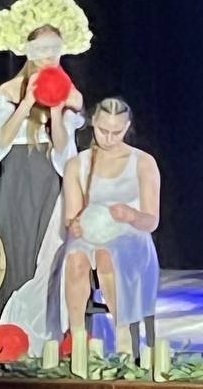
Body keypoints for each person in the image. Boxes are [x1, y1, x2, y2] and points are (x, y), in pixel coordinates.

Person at [0, 0, 91, 339]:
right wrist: (28, 102)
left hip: (50, 178)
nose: (47, 57)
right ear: (28, 51)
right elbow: (1, 141)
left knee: (49, 250)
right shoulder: (8, 91)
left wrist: (57, 112)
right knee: (16, 245)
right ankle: (11, 331)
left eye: (53, 50)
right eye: (41, 50)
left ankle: (49, 330)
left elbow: (64, 149)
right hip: (17, 175)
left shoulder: (71, 94)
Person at [60, 97, 160, 356]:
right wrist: (75, 225)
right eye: (103, 130)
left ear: (127, 127)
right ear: (93, 122)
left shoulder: (143, 162)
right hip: (92, 234)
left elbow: (151, 221)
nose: (109, 138)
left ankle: (123, 334)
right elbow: (71, 217)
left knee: (107, 256)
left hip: (131, 235)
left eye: (117, 132)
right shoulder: (77, 164)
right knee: (75, 258)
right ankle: (78, 337)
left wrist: (131, 215)